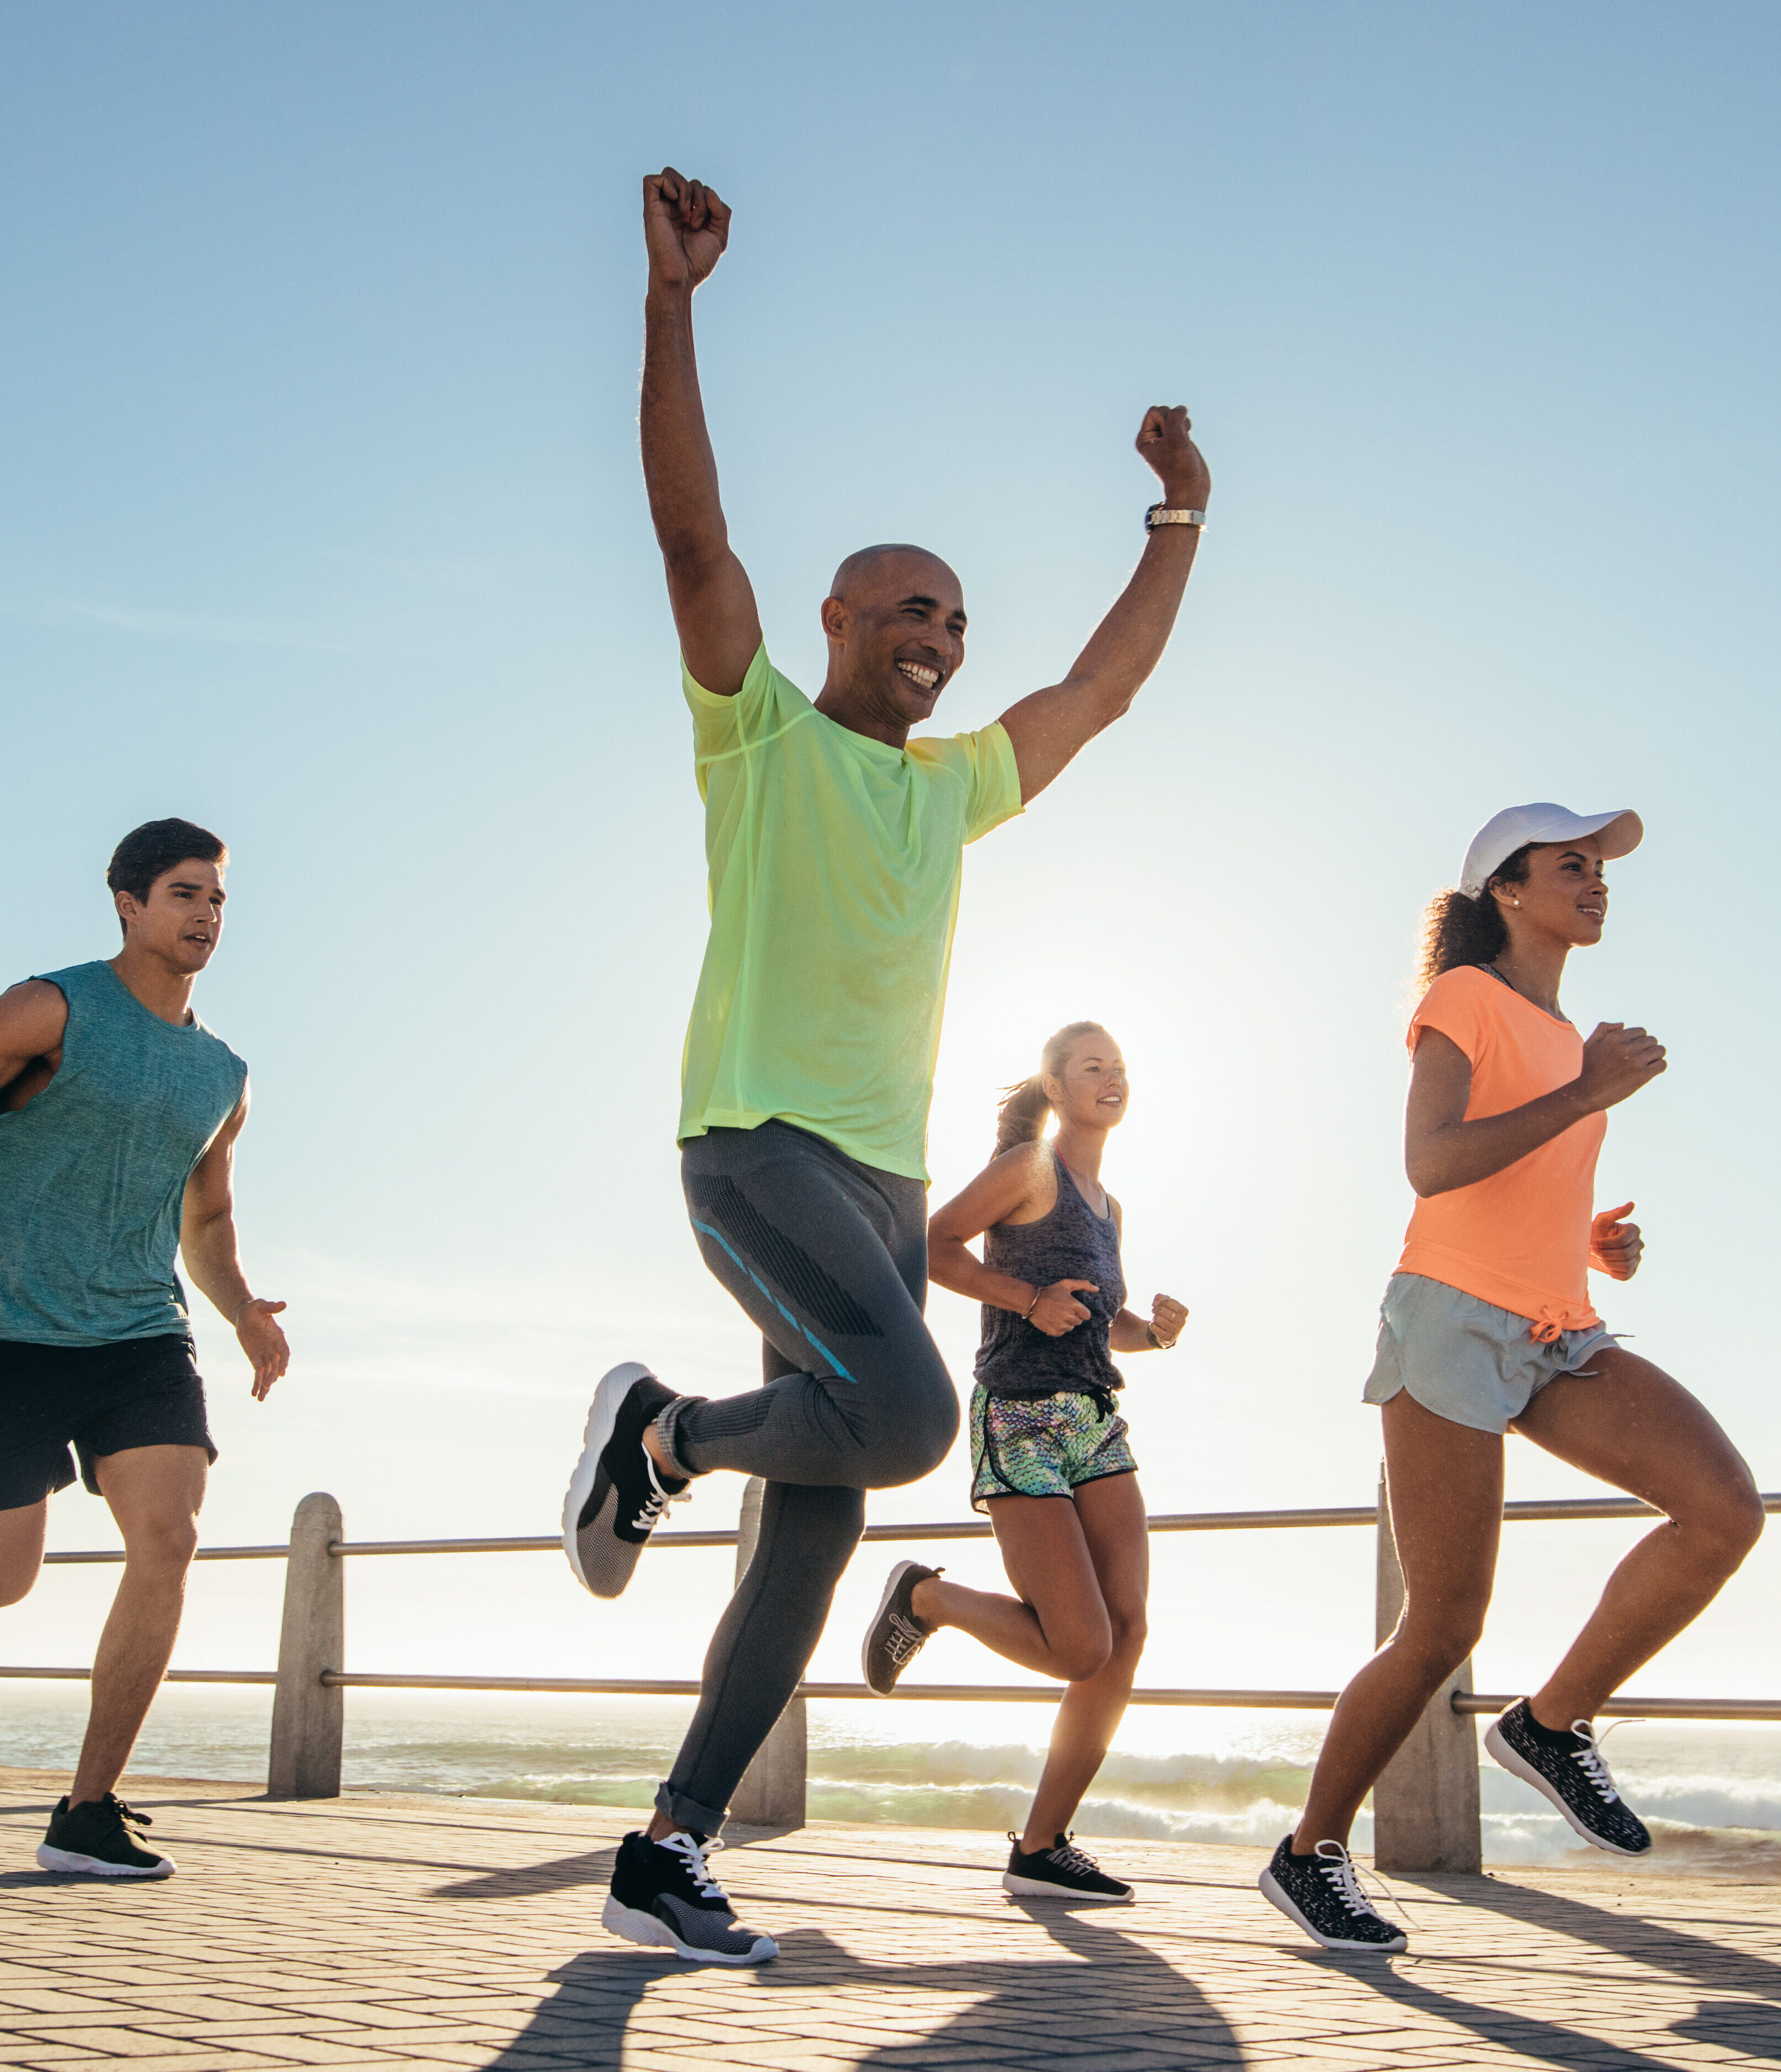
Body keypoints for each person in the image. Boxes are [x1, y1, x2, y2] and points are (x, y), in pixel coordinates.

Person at [559, 166, 1214, 1967]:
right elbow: (693, 540)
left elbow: (1099, 694)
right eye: (909, 609)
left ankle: (669, 1846)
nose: (939, 637)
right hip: (753, 1152)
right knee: (915, 1417)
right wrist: (672, 303)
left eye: (956, 624)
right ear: (841, 620)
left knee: (823, 1520)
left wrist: (1175, 519)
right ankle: (659, 1431)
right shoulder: (757, 734)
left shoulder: (952, 790)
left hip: (876, 1183)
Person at [1255, 803, 1767, 1956]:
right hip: (1446, 1322)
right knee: (1440, 1624)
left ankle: (1552, 1720)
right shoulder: (1466, 1002)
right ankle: (1309, 1852)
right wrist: (1588, 1093)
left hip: (1555, 1326)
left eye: (1601, 867)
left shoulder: (1560, 1024)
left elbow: (1519, 1178)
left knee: (1723, 1506)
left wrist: (1591, 1239)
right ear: (1509, 890)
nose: (1595, 882)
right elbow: (1432, 1163)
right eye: (1571, 865)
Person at [0, 817, 293, 1884]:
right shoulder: (52, 1008)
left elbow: (208, 1218)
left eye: (219, 900)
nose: (206, 916)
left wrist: (240, 1311)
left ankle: (88, 1808)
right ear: (129, 906)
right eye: (185, 895)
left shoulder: (221, 1073)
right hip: (7, 1330)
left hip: (141, 1334)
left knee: (170, 1539)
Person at [854, 1022, 1189, 1905]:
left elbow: (1093, 1319)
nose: (1113, 1076)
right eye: (1094, 1066)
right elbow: (933, 1245)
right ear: (1056, 1082)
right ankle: (927, 1597)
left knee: (1129, 1631)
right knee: (1082, 1644)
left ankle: (1041, 1846)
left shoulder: (1111, 1207)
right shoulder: (1027, 1168)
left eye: (1121, 1064)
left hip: (1093, 1423)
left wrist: (1148, 1332)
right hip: (1019, 1416)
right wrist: (1023, 1297)